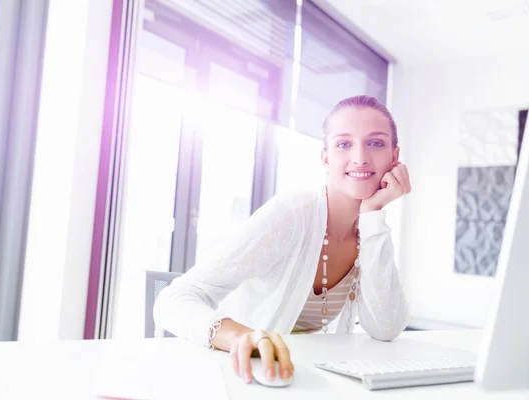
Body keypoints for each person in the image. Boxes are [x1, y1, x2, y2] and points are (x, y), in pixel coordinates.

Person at [153, 95, 411, 385]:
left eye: (375, 143)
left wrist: (373, 214)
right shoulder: (291, 215)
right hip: (242, 378)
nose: (360, 157)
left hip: (301, 379)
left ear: (394, 156)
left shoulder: (370, 230)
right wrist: (242, 337)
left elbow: (385, 327)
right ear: (326, 158)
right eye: (343, 144)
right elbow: (172, 300)